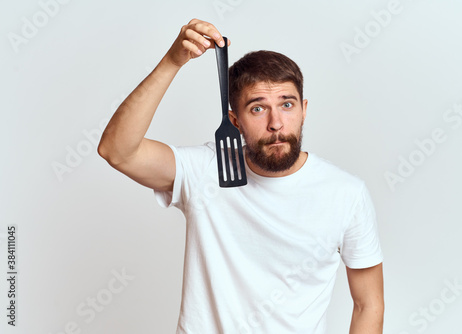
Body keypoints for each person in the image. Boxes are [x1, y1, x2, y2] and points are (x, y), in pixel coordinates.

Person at [98, 18, 384, 334]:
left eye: (287, 105)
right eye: (258, 109)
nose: (276, 123)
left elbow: (368, 304)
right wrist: (172, 62)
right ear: (234, 120)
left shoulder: (345, 193)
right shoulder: (206, 169)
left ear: (303, 110)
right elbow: (117, 150)